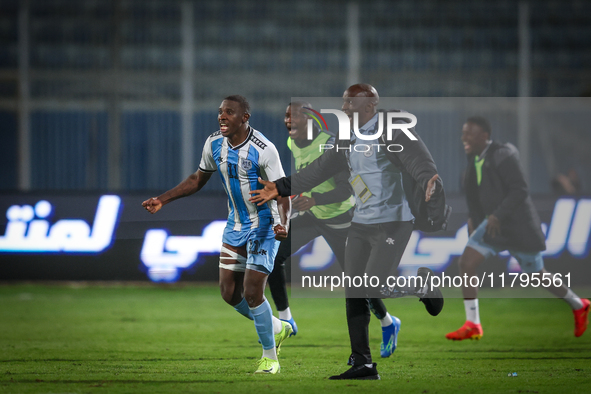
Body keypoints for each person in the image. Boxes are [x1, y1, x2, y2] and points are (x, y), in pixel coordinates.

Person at [249, 84, 447, 380]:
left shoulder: (393, 130)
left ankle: (423, 287)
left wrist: (428, 180)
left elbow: (419, 161)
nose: (344, 109)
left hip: (393, 222)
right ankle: (363, 364)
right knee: (355, 290)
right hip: (360, 223)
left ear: (369, 107)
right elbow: (317, 170)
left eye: (349, 104)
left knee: (373, 288)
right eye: (343, 103)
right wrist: (280, 187)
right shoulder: (346, 138)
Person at [142, 95, 293, 374]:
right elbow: (197, 179)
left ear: (244, 118)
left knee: (252, 291)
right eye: (220, 112)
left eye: (229, 113)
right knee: (229, 293)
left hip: (264, 225)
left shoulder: (265, 150)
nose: (222, 117)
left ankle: (270, 358)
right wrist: (163, 199)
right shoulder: (214, 143)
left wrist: (283, 222)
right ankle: (276, 326)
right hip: (235, 225)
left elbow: (282, 191)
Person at [267, 101, 402, 361]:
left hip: (341, 220)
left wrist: (315, 199)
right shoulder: (292, 143)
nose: (288, 120)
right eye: (285, 115)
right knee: (273, 257)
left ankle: (387, 322)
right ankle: (286, 321)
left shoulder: (332, 145)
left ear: (310, 118)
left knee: (358, 284)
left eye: (294, 116)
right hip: (312, 215)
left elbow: (347, 188)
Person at [446, 116, 589, 340]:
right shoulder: (473, 157)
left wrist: (497, 215)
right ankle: (473, 324)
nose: (464, 138)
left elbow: (520, 190)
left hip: (516, 227)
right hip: (491, 227)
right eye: (463, 133)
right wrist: (474, 219)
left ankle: (578, 304)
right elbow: (473, 193)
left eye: (469, 134)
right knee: (466, 262)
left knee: (537, 275)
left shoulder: (503, 154)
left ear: (484, 136)